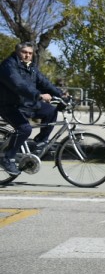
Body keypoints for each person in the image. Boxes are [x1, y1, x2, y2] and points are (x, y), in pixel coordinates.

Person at [0, 42, 66, 175]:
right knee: (25, 129)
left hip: (27, 104)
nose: (27, 55)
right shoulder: (8, 66)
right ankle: (7, 157)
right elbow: (18, 85)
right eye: (24, 52)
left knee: (51, 110)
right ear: (17, 52)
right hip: (8, 106)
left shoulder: (31, 67)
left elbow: (44, 82)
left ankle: (40, 142)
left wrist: (61, 94)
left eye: (30, 53)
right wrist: (39, 95)